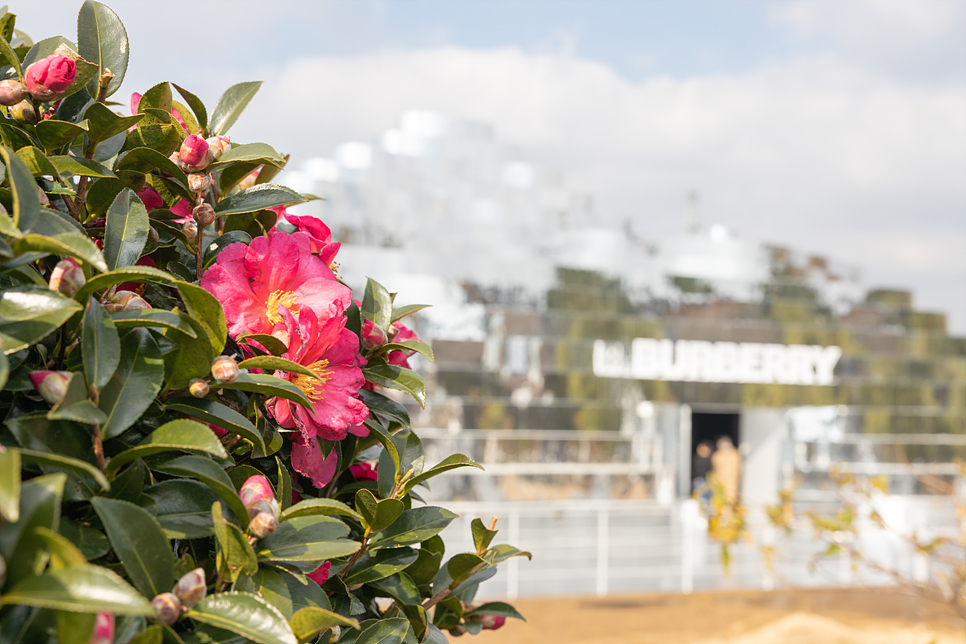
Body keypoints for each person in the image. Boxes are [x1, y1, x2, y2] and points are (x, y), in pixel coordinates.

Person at [710, 436, 741, 504]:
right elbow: (715, 469)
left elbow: (737, 470)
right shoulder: (718, 455)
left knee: (730, 500)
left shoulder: (734, 454)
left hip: (731, 482)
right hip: (720, 483)